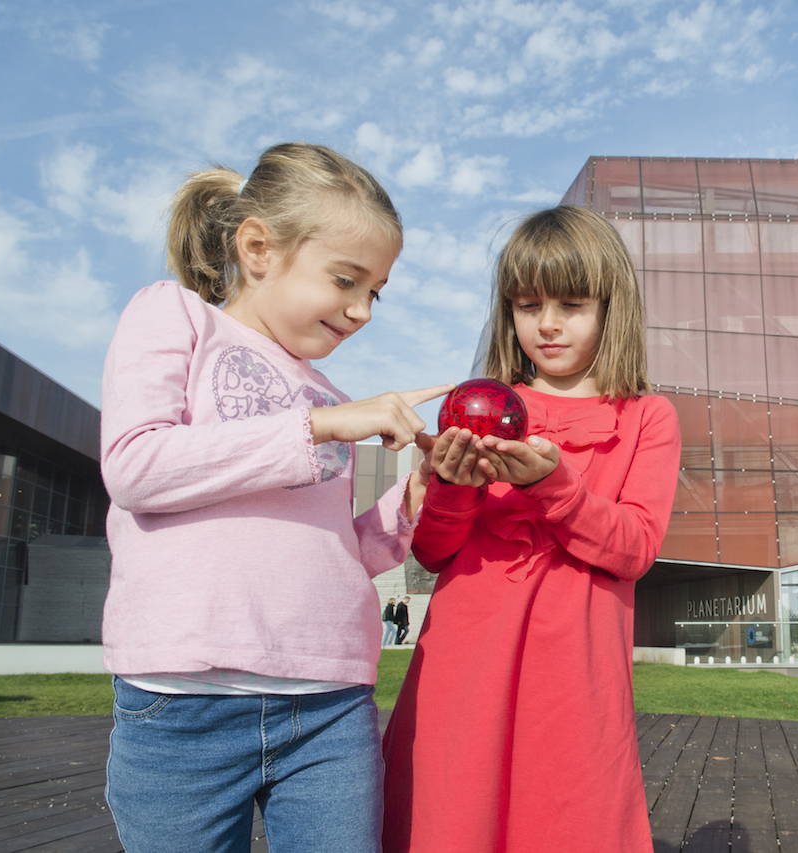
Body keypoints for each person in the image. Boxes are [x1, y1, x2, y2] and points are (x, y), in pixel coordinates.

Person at [100, 142, 453, 853]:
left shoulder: (332, 397)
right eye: (347, 279)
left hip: (329, 706)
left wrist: (416, 491)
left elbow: (339, 552)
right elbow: (135, 467)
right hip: (180, 707)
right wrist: (317, 426)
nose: (362, 310)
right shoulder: (175, 317)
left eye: (375, 291)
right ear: (259, 247)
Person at [381, 205, 682, 852]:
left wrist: (553, 486)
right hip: (463, 666)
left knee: (565, 820)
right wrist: (455, 487)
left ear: (611, 306)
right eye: (526, 304)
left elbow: (634, 548)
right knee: (454, 819)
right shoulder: (479, 404)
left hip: (573, 679)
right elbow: (433, 554)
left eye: (570, 304)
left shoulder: (647, 417)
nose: (546, 323)